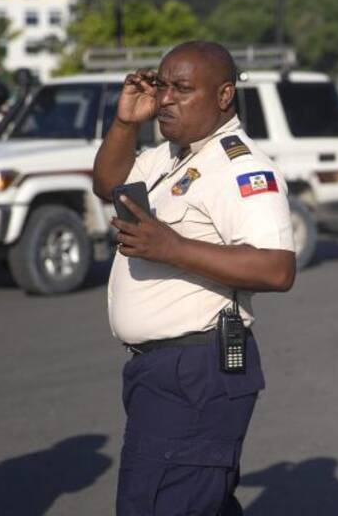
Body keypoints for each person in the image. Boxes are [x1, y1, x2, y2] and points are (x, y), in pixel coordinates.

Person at [92, 40, 297, 515]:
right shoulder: (169, 155)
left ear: (224, 95)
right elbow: (107, 182)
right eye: (162, 86)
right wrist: (126, 121)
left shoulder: (242, 169)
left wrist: (173, 248)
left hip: (196, 369)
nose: (165, 98)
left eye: (182, 89)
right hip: (160, 371)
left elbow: (277, 267)